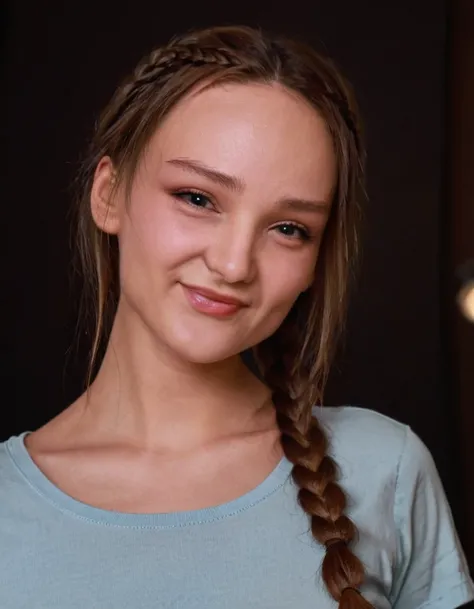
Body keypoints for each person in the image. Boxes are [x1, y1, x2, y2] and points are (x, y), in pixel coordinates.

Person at [1, 24, 472, 609]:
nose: (232, 264)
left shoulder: (386, 472)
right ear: (109, 193)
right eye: (197, 198)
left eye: (288, 229)